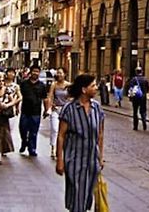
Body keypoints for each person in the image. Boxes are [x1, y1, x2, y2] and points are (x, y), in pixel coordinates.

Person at [56, 74, 105, 212]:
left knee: (86, 197)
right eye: (93, 86)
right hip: (75, 160)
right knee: (77, 196)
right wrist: (60, 160)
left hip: (92, 161)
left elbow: (100, 135)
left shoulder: (97, 108)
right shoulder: (69, 109)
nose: (96, 88)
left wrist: (100, 157)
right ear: (84, 89)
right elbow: (61, 136)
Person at [19, 65, 49, 157]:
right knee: (23, 129)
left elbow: (45, 98)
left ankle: (32, 148)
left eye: (37, 71)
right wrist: (16, 107)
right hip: (24, 111)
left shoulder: (42, 86)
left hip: (36, 112)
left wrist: (46, 110)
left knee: (34, 131)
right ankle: (24, 142)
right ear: (30, 72)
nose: (35, 73)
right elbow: (19, 96)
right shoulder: (24, 84)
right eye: (34, 71)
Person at [0, 73, 18, 165]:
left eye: (2, 81)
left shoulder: (7, 91)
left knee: (1, 137)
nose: (1, 83)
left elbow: (14, 100)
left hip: (3, 117)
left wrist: (7, 105)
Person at [47, 67, 70, 158]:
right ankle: (53, 148)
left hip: (65, 111)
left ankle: (62, 148)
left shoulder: (68, 85)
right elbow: (50, 96)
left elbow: (71, 98)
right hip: (56, 109)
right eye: (58, 73)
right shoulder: (54, 84)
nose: (59, 75)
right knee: (55, 129)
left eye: (61, 73)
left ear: (65, 74)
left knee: (64, 131)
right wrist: (50, 105)